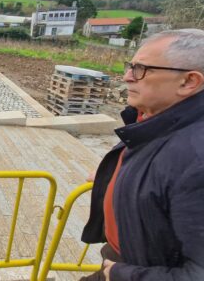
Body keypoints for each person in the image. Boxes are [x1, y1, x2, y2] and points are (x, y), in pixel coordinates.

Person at [81, 29, 204, 280]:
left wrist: (122, 273)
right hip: (126, 256)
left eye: (141, 69)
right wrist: (113, 178)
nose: (127, 77)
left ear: (189, 82)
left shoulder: (196, 161)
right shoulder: (159, 120)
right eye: (130, 66)